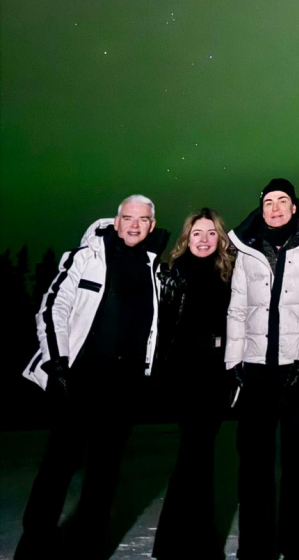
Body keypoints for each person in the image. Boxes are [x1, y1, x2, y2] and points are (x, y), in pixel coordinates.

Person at [17, 195, 168, 560]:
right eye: (128, 218)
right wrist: (57, 363)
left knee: (105, 473)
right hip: (79, 380)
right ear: (116, 221)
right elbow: (53, 307)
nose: (134, 225)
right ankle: (35, 545)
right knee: (58, 466)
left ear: (151, 224)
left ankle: (88, 547)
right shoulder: (86, 257)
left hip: (123, 387)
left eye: (143, 219)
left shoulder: (154, 268)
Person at [226, 178, 299, 560]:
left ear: (294, 205)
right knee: (254, 463)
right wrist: (234, 363)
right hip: (256, 369)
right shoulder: (249, 249)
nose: (275, 208)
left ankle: (297, 544)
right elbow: (238, 309)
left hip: (296, 369)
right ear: (261, 207)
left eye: (282, 200)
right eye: (268, 201)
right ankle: (256, 546)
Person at [152, 208, 235, 560]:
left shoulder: (229, 275)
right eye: (197, 233)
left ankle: (183, 540)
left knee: (199, 455)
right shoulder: (173, 274)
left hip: (216, 375)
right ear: (186, 237)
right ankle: (188, 543)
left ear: (220, 238)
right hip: (184, 375)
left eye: (211, 233)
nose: (203, 240)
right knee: (194, 453)